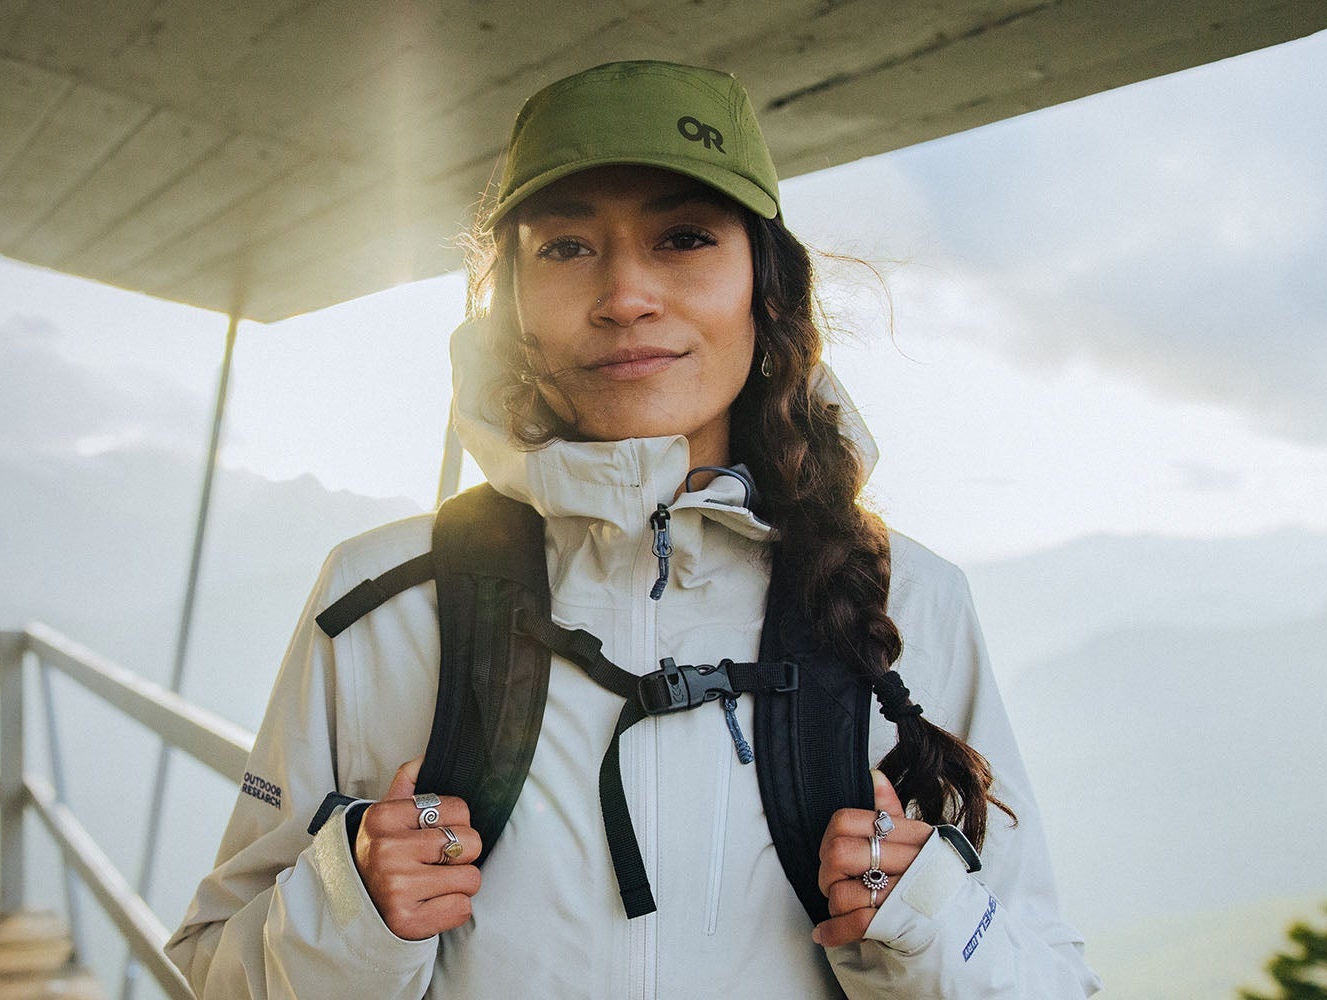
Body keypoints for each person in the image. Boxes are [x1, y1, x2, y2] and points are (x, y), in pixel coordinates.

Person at [167, 60, 1100, 998]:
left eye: (684, 237)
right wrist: (352, 908)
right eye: (566, 247)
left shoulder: (910, 596)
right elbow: (210, 966)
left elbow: (1050, 977)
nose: (624, 296)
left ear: (764, 287)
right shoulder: (376, 596)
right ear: (513, 307)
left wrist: (926, 916)